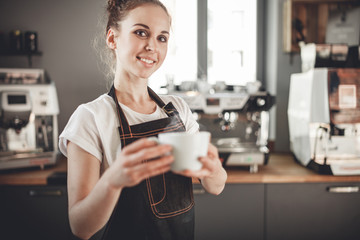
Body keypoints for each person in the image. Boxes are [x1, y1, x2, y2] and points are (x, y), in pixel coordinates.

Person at [59, 0, 227, 239]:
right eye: (141, 32)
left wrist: (214, 169)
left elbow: (215, 186)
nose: (152, 46)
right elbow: (80, 227)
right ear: (112, 39)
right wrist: (113, 181)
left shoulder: (177, 109)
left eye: (162, 37)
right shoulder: (91, 118)